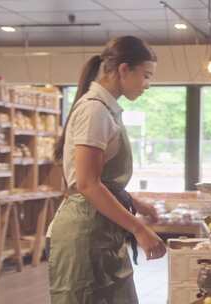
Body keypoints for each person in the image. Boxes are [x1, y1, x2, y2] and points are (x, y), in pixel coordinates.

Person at [48, 36, 167, 304]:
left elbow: (100, 180)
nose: (147, 85)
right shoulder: (95, 112)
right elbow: (87, 184)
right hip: (85, 234)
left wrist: (136, 203)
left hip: (101, 229)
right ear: (124, 70)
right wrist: (139, 229)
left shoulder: (107, 109)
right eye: (146, 76)